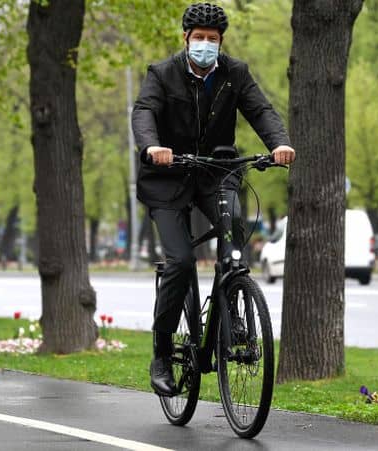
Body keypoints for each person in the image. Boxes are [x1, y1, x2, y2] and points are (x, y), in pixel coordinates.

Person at [132, 2, 295, 396]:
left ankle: (234, 304)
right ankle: (161, 354)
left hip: (214, 172)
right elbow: (144, 112)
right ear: (186, 38)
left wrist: (280, 144)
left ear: (221, 43)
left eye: (213, 39)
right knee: (182, 261)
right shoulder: (162, 73)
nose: (206, 45)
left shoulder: (234, 73)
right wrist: (153, 146)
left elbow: (261, 110)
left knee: (234, 228)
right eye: (199, 38)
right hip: (167, 178)